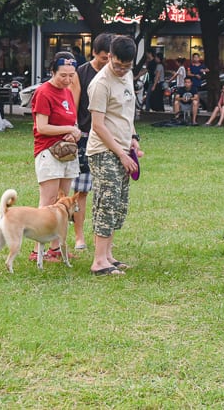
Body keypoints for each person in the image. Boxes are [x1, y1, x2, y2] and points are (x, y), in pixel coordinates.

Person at [86, 35, 141, 276]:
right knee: (106, 202)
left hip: (123, 148)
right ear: (109, 56)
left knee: (119, 204)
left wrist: (133, 139)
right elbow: (98, 124)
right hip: (104, 151)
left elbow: (127, 113)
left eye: (126, 66)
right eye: (117, 65)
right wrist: (120, 153)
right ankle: (99, 262)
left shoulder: (127, 75)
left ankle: (109, 255)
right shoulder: (101, 83)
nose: (121, 70)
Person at [30, 51, 82, 262]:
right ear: (52, 71)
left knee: (64, 200)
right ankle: (37, 250)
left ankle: (55, 248)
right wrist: (68, 128)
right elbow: (41, 127)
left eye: (71, 75)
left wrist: (74, 131)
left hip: (67, 152)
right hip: (48, 152)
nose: (67, 80)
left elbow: (72, 120)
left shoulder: (68, 92)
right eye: (63, 75)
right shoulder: (44, 92)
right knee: (48, 201)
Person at [69, 32, 113, 251]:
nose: (108, 62)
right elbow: (73, 104)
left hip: (109, 138)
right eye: (105, 57)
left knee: (106, 190)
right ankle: (79, 236)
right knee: (82, 190)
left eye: (111, 57)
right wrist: (74, 130)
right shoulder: (81, 73)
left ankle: (102, 239)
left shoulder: (116, 73)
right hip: (86, 137)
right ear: (94, 53)